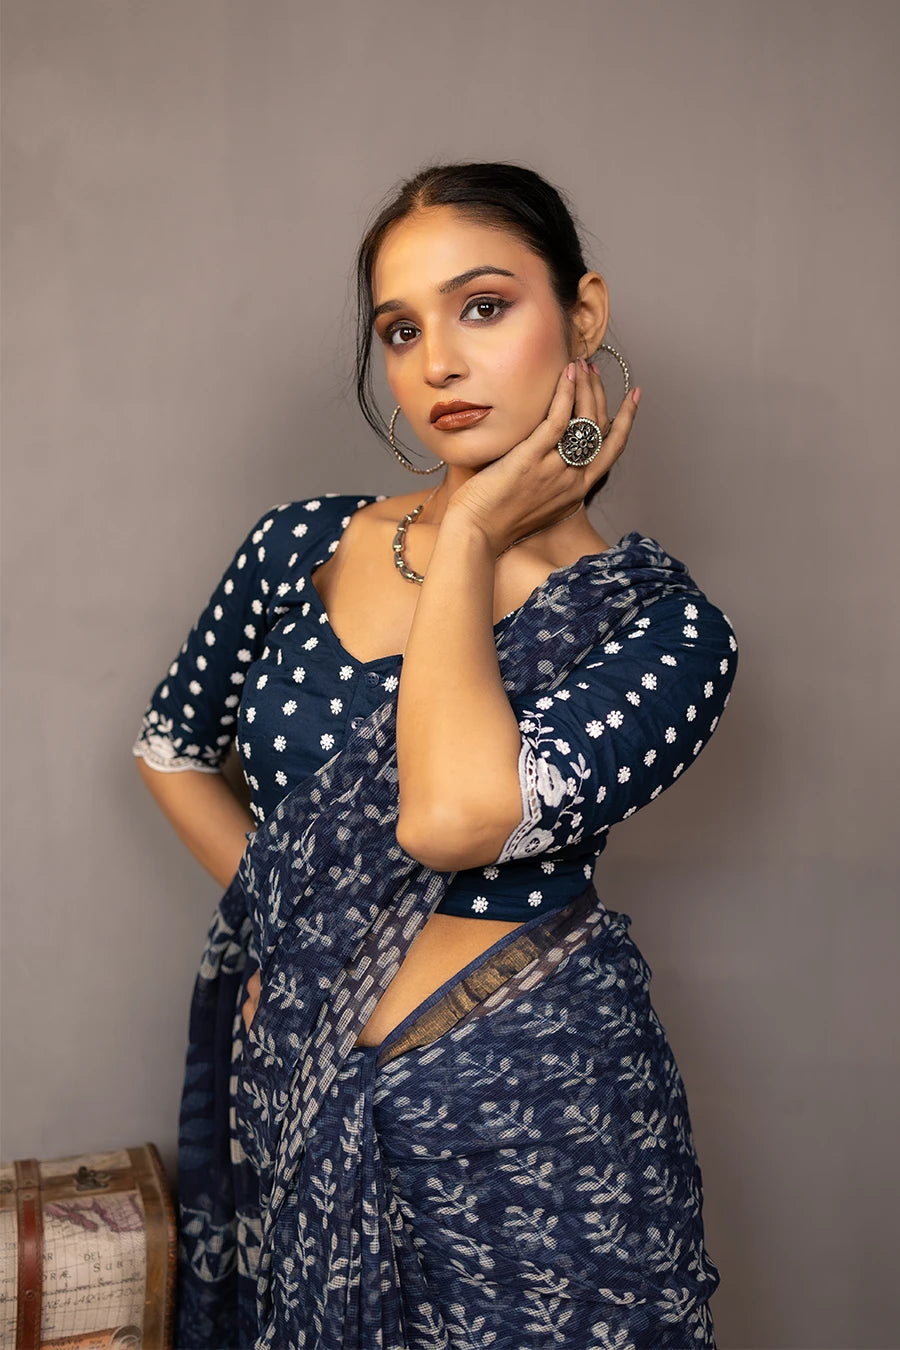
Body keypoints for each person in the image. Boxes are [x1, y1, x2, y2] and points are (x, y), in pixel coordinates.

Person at [134, 161, 738, 1350]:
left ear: (585, 313)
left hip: (542, 1111)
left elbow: (452, 819)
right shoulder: (301, 544)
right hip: (304, 1088)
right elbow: (170, 746)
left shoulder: (663, 629)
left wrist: (467, 533)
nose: (437, 365)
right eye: (400, 330)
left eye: (483, 307)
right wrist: (301, 931)